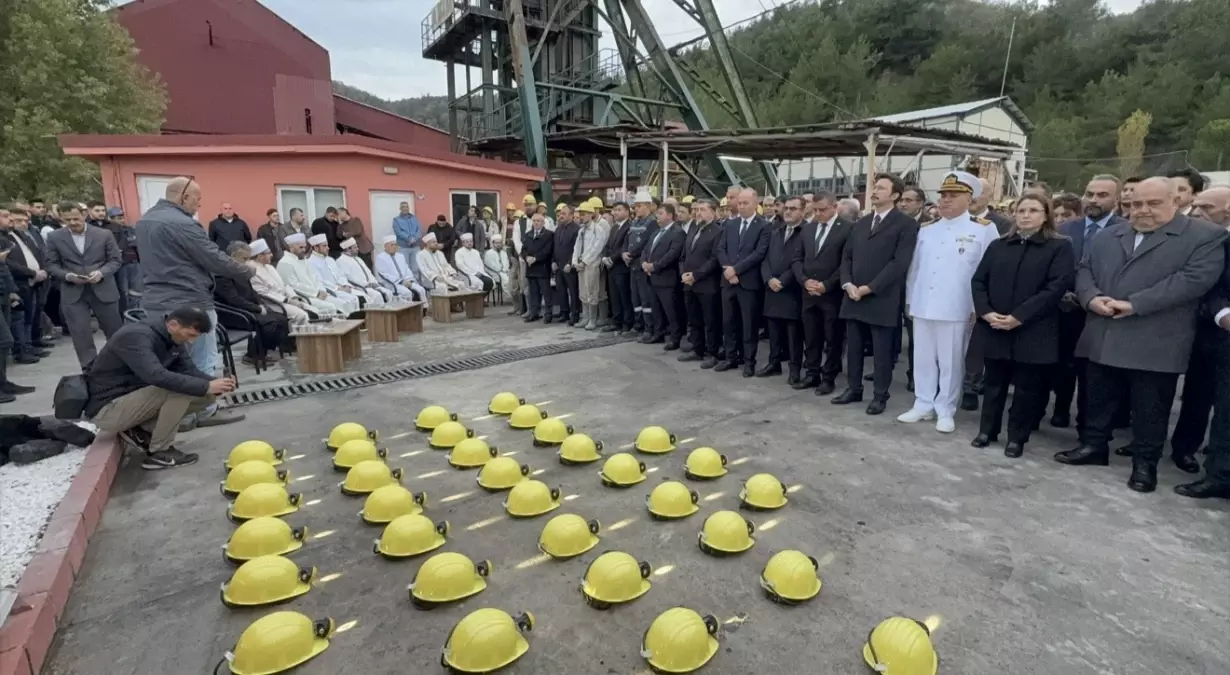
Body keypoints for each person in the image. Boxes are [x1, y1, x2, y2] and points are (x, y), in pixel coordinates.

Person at [1056, 177, 1227, 493]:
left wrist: (1135, 304)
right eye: (1135, 204)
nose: (1142, 210)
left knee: (1150, 407)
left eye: (1153, 203)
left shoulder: (1205, 237)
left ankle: (1145, 465)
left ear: (1174, 202)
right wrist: (1091, 298)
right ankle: (1094, 446)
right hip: (1104, 329)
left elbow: (1193, 281)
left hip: (1156, 337)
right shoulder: (1110, 235)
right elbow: (1084, 270)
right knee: (1098, 395)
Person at [136, 178, 252, 428]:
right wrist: (247, 271)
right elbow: (214, 259)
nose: (199, 205)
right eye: (197, 200)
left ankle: (182, 415)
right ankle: (206, 410)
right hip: (190, 301)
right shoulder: (183, 223)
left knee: (173, 361)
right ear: (184, 197)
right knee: (204, 359)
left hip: (156, 302)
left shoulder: (145, 220)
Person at [969, 194, 1075, 457]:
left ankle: (1017, 438)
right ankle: (987, 430)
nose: (1026, 215)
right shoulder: (999, 245)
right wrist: (986, 312)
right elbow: (978, 281)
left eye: (1033, 210)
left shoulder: (1059, 247)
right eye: (1021, 210)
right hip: (995, 325)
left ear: (1045, 215)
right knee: (994, 383)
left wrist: (1019, 316)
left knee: (1027, 389)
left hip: (1033, 329)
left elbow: (1055, 287)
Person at [896, 171, 998, 432]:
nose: (946, 200)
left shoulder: (982, 229)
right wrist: (910, 300)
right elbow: (915, 269)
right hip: (924, 302)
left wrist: (980, 308)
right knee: (923, 357)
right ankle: (923, 403)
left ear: (969, 199)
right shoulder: (927, 229)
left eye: (954, 196)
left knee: (951, 362)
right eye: (943, 196)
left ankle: (946, 408)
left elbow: (990, 272)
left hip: (957, 306)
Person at [86, 306, 237, 469]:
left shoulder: (172, 337)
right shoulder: (135, 336)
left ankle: (144, 430)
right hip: (108, 409)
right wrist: (206, 385)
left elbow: (189, 371)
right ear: (173, 324)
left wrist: (218, 384)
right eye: (191, 335)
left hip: (132, 401)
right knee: (179, 390)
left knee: (207, 395)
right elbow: (155, 375)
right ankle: (160, 452)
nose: (191, 341)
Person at [832, 175, 918, 415]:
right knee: (855, 347)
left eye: (881, 188)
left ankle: (880, 395)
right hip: (853, 295)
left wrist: (869, 287)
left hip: (882, 297)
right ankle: (854, 388)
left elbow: (899, 263)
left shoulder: (906, 224)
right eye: (875, 187)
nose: (875, 191)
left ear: (895, 195)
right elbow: (847, 256)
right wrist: (847, 283)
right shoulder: (861, 222)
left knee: (881, 352)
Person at [1050, 175, 1126, 432]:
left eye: (1102, 195)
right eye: (1090, 193)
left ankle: (1088, 424)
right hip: (1064, 309)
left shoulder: (1125, 230)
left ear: (1117, 200)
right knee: (1063, 364)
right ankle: (1060, 410)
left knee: (1093, 373)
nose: (1093, 200)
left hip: (1103, 311)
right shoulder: (1065, 229)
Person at [1168, 185, 1230, 475]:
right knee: (1197, 395)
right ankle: (1184, 449)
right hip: (1203, 329)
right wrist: (1223, 315)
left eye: (1207, 208)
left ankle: (1220, 465)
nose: (1197, 212)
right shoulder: (1190, 238)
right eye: (1196, 206)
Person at [44, 203, 124, 369]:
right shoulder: (55, 237)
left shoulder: (104, 234)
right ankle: (91, 372)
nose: (72, 222)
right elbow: (51, 265)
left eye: (76, 218)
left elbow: (116, 260)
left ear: (85, 215)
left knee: (115, 333)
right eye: (67, 220)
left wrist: (101, 272)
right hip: (73, 293)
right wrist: (68, 276)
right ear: (61, 219)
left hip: (104, 289)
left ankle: (121, 367)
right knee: (81, 336)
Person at [797, 191, 852, 395]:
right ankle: (812, 374)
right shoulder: (808, 229)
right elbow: (798, 258)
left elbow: (846, 263)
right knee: (811, 337)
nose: (818, 214)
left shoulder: (847, 229)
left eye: (823, 210)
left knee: (833, 338)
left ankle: (828, 377)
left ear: (834, 207)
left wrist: (827, 284)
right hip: (808, 293)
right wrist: (804, 281)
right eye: (816, 210)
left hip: (832, 294)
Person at [715, 188, 770, 377]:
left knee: (749, 324)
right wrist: (728, 269)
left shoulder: (763, 226)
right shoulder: (730, 225)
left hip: (748, 283)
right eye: (739, 203)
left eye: (745, 203)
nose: (741, 206)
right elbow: (720, 248)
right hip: (728, 281)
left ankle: (749, 361)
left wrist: (736, 270)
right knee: (729, 322)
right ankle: (731, 357)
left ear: (756, 204)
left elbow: (759, 253)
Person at [215, 242, 291, 366]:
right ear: (233, 256)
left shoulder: (240, 270)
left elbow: (252, 292)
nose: (246, 262)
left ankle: (262, 351)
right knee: (269, 323)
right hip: (232, 313)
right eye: (244, 259)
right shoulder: (222, 274)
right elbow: (233, 300)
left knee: (281, 319)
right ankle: (253, 355)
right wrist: (257, 308)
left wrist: (261, 304)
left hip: (246, 309)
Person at [759, 195, 806, 383]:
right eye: (786, 208)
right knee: (774, 331)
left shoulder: (805, 232)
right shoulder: (775, 232)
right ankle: (774, 363)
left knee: (794, 335)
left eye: (793, 208)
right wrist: (769, 278)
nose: (788, 211)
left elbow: (800, 262)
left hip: (791, 290)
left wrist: (783, 281)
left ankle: (794, 369)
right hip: (772, 289)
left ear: (803, 211)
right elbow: (765, 259)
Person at [678, 199, 723, 367]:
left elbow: (714, 259)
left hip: (707, 284)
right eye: (697, 210)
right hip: (688, 282)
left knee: (710, 320)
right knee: (694, 318)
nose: (699, 213)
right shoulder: (694, 229)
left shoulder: (718, 231)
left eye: (703, 210)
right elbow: (684, 255)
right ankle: (698, 349)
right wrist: (683, 273)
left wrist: (696, 275)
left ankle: (713, 352)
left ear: (713, 211)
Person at [2, 208, 50, 364]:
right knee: (19, 319)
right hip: (18, 282)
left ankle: (29, 346)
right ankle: (21, 350)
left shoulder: (22, 235)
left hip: (33, 281)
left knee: (30, 316)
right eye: (9, 217)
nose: (22, 223)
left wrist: (41, 270)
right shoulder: (5, 238)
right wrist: (30, 272)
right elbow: (8, 263)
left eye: (24, 220)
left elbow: (37, 253)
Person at [642, 203, 686, 348]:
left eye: (660, 214)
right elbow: (646, 249)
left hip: (667, 278)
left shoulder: (677, 232)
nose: (657, 217)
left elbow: (672, 254)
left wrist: (654, 266)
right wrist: (644, 263)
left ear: (669, 215)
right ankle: (658, 333)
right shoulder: (656, 232)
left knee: (671, 310)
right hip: (652, 277)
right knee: (656, 308)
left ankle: (675, 338)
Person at [0, 231, 36, 402]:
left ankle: (3, 383)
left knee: (5, 341)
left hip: (3, 295)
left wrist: (12, 291)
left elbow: (4, 268)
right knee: (5, 340)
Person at [276, 233, 347, 316]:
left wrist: (321, 291)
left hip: (318, 294)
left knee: (341, 303)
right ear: (291, 248)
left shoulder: (304, 260)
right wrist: (316, 293)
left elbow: (315, 278)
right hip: (304, 298)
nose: (303, 250)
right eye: (300, 247)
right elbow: (293, 286)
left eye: (304, 247)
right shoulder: (285, 262)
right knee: (330, 307)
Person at [246, 239, 314, 324]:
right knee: (301, 315)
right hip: (273, 304)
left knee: (311, 309)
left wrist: (294, 297)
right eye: (269, 253)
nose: (271, 255)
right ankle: (296, 337)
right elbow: (264, 293)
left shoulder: (269, 267)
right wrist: (287, 301)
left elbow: (284, 285)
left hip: (285, 300)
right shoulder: (252, 270)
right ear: (260, 256)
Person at [626, 191, 659, 335]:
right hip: (633, 265)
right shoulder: (634, 222)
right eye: (635, 206)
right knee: (635, 299)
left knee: (646, 299)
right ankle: (638, 325)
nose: (636, 209)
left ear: (648, 206)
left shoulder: (652, 223)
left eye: (639, 206)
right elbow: (628, 240)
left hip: (642, 265)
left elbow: (646, 243)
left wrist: (631, 254)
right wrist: (624, 253)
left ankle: (649, 328)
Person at [572, 202, 608, 330]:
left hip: (592, 264)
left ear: (590, 214)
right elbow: (576, 247)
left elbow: (596, 248)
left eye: (583, 214)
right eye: (579, 214)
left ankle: (593, 319)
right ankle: (585, 317)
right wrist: (575, 262)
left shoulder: (598, 230)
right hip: (581, 266)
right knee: (583, 292)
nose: (580, 217)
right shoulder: (581, 230)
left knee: (592, 292)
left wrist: (584, 261)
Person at [306, 234, 362, 315]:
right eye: (324, 246)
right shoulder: (310, 262)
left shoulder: (330, 260)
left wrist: (345, 285)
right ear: (315, 248)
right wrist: (338, 288)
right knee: (346, 302)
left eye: (327, 245)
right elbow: (320, 281)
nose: (328, 248)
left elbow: (340, 275)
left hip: (341, 288)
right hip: (330, 291)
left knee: (355, 299)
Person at [602, 201, 634, 334]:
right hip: (611, 268)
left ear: (627, 211)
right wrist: (604, 257)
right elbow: (608, 244)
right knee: (614, 296)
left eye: (619, 210)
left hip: (621, 267)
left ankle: (627, 323)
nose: (615, 212)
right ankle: (616, 321)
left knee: (624, 296)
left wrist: (612, 258)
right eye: (614, 210)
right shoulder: (614, 227)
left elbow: (623, 246)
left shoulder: (630, 226)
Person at [103, 206, 141, 315]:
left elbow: (137, 243)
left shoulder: (130, 229)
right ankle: (125, 315)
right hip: (120, 266)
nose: (119, 220)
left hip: (135, 264)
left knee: (137, 292)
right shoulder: (107, 232)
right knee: (123, 292)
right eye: (115, 217)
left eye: (120, 217)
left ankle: (136, 314)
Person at [521, 213, 555, 322]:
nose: (536, 223)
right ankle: (534, 313)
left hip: (543, 267)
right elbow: (523, 250)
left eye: (539, 221)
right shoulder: (528, 234)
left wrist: (535, 258)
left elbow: (548, 250)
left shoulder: (549, 234)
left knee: (546, 292)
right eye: (534, 220)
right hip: (531, 268)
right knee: (533, 292)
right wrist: (526, 258)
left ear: (543, 222)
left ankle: (548, 314)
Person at [374, 235, 427, 302]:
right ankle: (408, 312)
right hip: (391, 284)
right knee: (407, 293)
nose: (394, 247)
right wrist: (401, 282)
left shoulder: (400, 256)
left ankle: (422, 310)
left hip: (406, 281)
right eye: (392, 245)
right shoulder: (380, 257)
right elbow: (384, 274)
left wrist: (409, 280)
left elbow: (407, 269)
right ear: (385, 246)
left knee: (421, 289)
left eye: (395, 245)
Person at [337, 238, 388, 305]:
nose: (358, 249)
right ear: (348, 249)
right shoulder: (341, 260)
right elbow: (350, 277)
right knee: (377, 295)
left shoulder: (358, 258)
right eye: (355, 247)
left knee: (388, 292)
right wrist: (366, 284)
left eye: (357, 247)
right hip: (359, 287)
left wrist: (373, 282)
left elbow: (368, 272)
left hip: (371, 285)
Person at [553, 204, 581, 325]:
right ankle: (564, 312)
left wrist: (570, 263)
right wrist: (553, 261)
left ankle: (575, 314)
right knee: (561, 289)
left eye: (564, 213)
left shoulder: (576, 229)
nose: (561, 216)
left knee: (573, 291)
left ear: (571, 215)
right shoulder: (558, 228)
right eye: (560, 213)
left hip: (570, 266)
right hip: (558, 264)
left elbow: (576, 249)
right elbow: (555, 247)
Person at [393, 202, 422, 277]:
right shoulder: (396, 220)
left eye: (406, 207)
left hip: (415, 247)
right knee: (405, 268)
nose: (405, 208)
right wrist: (409, 239)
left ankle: (417, 286)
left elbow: (419, 229)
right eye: (403, 207)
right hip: (403, 247)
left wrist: (415, 238)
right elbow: (398, 232)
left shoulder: (414, 218)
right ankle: (409, 285)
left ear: (409, 208)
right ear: (400, 209)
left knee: (416, 268)